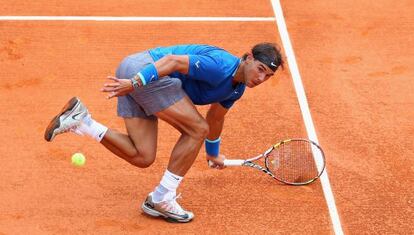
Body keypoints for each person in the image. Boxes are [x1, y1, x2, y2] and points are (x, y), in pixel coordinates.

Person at [44, 43, 284, 223]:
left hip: (141, 75)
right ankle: (162, 198)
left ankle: (82, 121)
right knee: (196, 129)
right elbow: (172, 62)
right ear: (249, 58)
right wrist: (134, 83)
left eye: (268, 76)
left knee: (142, 156)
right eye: (260, 69)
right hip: (145, 72)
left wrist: (213, 154)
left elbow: (216, 117)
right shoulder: (221, 66)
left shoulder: (236, 90)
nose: (261, 78)